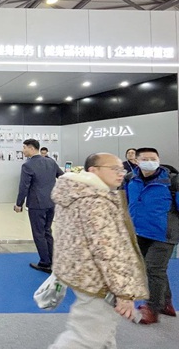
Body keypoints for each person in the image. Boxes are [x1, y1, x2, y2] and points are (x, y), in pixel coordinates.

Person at [49, 153, 148, 348]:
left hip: (84, 274)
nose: (121, 173)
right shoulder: (95, 201)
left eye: (122, 169)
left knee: (103, 335)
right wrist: (123, 292)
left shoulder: (75, 193)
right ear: (93, 170)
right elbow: (107, 251)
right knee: (85, 338)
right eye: (114, 169)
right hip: (99, 281)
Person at [124, 147, 178, 324]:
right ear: (137, 161)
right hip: (140, 231)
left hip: (164, 234)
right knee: (152, 269)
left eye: (153, 158)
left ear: (159, 160)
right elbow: (127, 203)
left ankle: (152, 309)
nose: (149, 162)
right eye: (145, 159)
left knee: (154, 269)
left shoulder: (172, 181)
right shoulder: (130, 179)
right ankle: (165, 304)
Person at [14, 139, 63, 273]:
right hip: (51, 202)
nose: (23, 150)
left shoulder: (28, 165)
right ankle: (53, 260)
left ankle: (45, 263)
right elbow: (62, 176)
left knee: (39, 233)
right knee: (47, 231)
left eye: (24, 147)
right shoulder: (51, 162)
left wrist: (19, 204)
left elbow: (24, 187)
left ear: (31, 148)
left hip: (37, 204)